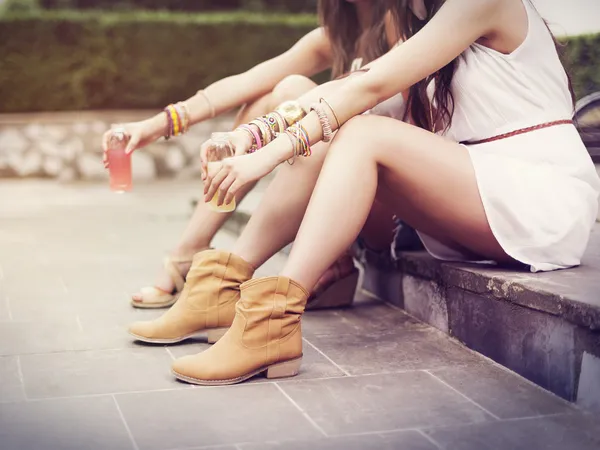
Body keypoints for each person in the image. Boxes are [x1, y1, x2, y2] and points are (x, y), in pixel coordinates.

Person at [143, 0, 599, 385]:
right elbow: (345, 91)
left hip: (539, 196)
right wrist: (253, 137)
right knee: (347, 125)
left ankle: (272, 320)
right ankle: (226, 285)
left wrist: (261, 160)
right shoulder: (424, 27)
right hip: (482, 193)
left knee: (364, 133)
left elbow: (370, 86)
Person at [103, 0, 403, 310]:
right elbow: (248, 81)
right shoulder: (337, 36)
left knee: (292, 89)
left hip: (390, 205)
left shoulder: (399, 24)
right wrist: (155, 125)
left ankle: (218, 269)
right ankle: (188, 250)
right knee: (261, 100)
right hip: (345, 198)